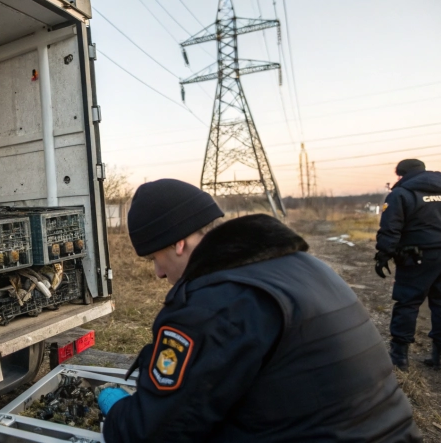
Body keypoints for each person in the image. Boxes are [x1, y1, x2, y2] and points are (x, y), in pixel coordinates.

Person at [99, 179, 421, 442]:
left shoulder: (214, 303)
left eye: (155, 258)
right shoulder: (301, 266)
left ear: (178, 243)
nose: (157, 273)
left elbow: (154, 434)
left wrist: (117, 414)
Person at [375, 159, 441, 372]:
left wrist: (383, 256)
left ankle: (400, 358)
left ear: (401, 174)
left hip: (416, 257)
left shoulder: (401, 194)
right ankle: (439, 358)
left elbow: (391, 228)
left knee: (408, 302)